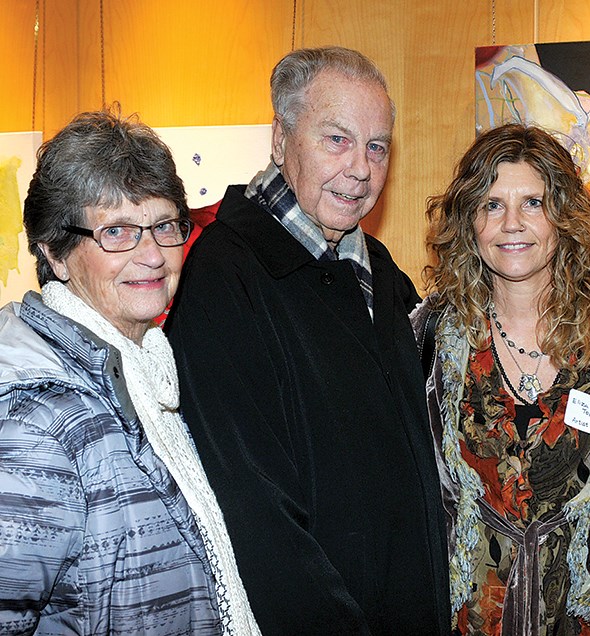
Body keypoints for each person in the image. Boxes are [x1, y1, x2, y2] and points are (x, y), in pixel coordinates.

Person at [165, 47, 450, 634]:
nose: (361, 169)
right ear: (279, 140)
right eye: (337, 139)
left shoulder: (379, 272)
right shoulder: (224, 275)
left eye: (377, 146)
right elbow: (252, 508)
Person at [412, 124, 590, 636]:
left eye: (533, 203)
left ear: (564, 217)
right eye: (492, 204)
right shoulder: (431, 336)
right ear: (468, 220)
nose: (512, 225)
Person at [0, 110, 260, 634]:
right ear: (56, 253)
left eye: (164, 226)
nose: (152, 255)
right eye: (117, 230)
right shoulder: (38, 422)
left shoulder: (149, 373)